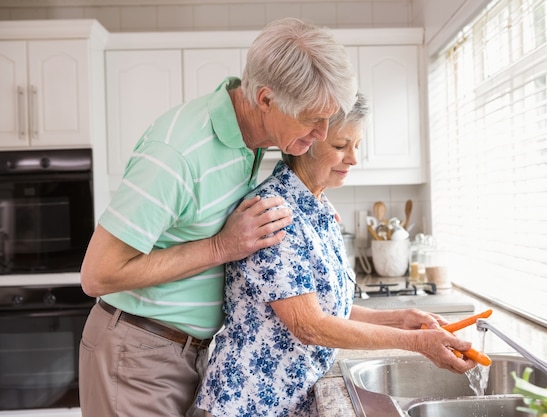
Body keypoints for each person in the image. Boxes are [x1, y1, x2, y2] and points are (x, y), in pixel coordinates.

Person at [78, 17, 358, 417]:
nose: (322, 132)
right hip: (136, 353)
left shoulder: (254, 139)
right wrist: (221, 246)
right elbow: (97, 274)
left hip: (189, 354)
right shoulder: (177, 152)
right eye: (313, 119)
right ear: (266, 99)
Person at [194, 93, 477, 417]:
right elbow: (309, 325)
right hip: (249, 405)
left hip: (287, 401)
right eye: (341, 146)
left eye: (356, 146)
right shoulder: (273, 215)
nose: (353, 159)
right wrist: (417, 344)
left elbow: (328, 308)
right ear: (304, 143)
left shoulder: (318, 208)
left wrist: (403, 319)